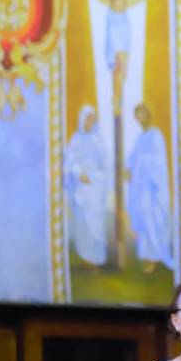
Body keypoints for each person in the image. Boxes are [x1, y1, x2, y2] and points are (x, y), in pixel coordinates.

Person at [126, 103, 173, 274]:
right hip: (142, 188)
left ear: (147, 115)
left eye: (142, 114)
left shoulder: (155, 135)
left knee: (153, 220)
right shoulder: (140, 137)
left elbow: (157, 161)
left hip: (153, 190)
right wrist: (128, 168)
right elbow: (133, 158)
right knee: (145, 223)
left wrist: (140, 165)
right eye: (137, 115)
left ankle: (154, 258)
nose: (140, 118)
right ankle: (148, 257)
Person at [64, 105, 110, 270]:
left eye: (92, 119)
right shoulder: (76, 139)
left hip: (96, 186)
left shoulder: (98, 140)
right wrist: (79, 174)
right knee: (84, 223)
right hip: (81, 186)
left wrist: (99, 178)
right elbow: (70, 162)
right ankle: (86, 257)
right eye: (88, 119)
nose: (90, 122)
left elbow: (105, 164)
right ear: (82, 119)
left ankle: (97, 258)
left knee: (96, 223)